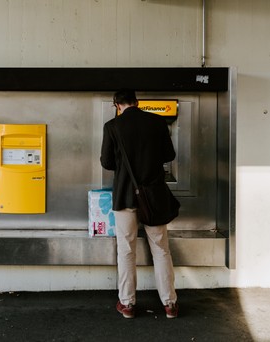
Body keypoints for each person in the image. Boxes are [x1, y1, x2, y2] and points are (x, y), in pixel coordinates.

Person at [100, 89, 178, 319]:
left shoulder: (112, 126)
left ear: (117, 104)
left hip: (125, 195)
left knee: (126, 250)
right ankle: (170, 304)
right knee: (161, 249)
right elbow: (169, 155)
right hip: (153, 196)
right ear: (137, 102)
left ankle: (128, 304)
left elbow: (106, 162)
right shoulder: (157, 122)